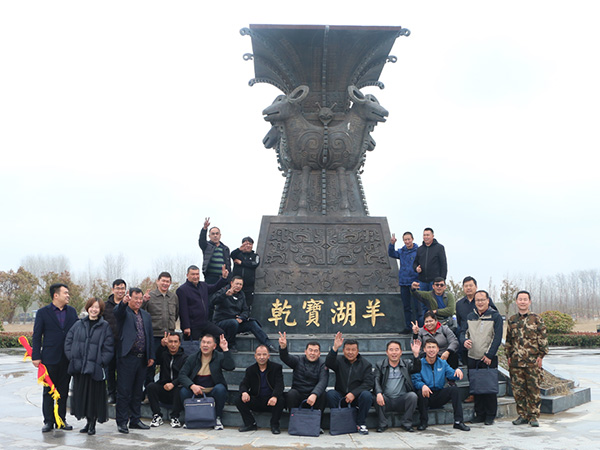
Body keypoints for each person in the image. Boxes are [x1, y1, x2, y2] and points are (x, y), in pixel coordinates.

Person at [32, 283, 79, 432]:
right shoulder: (43, 312)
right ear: (56, 295)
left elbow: (78, 332)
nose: (68, 295)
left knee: (63, 391)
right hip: (49, 358)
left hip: (67, 358)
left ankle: (61, 420)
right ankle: (48, 421)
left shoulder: (72, 312)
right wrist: (36, 356)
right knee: (48, 392)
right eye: (65, 293)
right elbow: (37, 335)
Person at [64, 298, 114, 435]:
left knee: (94, 398)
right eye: (92, 307)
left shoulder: (104, 326)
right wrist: (72, 357)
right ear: (87, 308)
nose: (94, 310)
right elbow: (68, 341)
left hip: (95, 369)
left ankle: (92, 423)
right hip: (80, 368)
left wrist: (100, 362)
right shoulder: (78, 324)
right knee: (83, 397)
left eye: (97, 307)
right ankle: (87, 421)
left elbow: (109, 348)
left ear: (100, 310)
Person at [114, 287, 154, 434]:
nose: (138, 301)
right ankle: (122, 421)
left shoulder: (146, 315)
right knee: (124, 391)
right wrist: (123, 303)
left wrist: (151, 356)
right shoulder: (124, 312)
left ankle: (135, 420)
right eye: (135, 298)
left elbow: (149, 336)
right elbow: (117, 312)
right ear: (129, 298)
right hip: (127, 357)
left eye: (140, 298)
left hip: (142, 358)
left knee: (137, 391)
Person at [505, 290, 548, 428]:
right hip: (516, 362)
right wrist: (508, 356)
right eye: (520, 299)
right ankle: (522, 415)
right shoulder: (512, 320)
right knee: (518, 391)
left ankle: (533, 416)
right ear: (516, 301)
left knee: (533, 390)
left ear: (529, 302)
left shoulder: (537, 319)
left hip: (532, 361)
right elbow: (509, 340)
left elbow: (543, 339)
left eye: (525, 299)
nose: (522, 302)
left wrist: (541, 356)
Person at [461, 290, 503, 425]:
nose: (480, 302)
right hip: (472, 356)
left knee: (489, 389)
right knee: (477, 388)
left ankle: (490, 415)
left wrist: (489, 354)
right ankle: (479, 414)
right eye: (477, 300)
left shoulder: (495, 316)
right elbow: (463, 332)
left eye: (482, 300)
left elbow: (497, 337)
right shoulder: (470, 316)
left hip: (488, 358)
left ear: (488, 301)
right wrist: (464, 341)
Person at [178, 333, 235, 430]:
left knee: (220, 389)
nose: (205, 345)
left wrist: (225, 350)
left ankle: (217, 417)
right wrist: (192, 386)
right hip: (196, 391)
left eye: (208, 343)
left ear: (214, 346)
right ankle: (190, 418)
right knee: (183, 391)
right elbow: (182, 375)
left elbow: (230, 367)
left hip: (212, 391)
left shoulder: (219, 356)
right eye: (203, 342)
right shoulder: (192, 358)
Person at [411, 339, 470, 432]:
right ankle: (423, 422)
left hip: (439, 394)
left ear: (438, 349)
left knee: (454, 389)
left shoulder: (442, 363)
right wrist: (422, 386)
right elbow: (415, 380)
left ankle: (458, 422)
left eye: (433, 347)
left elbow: (452, 375)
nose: (431, 350)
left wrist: (458, 371)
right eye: (429, 347)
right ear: (424, 350)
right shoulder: (420, 363)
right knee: (420, 391)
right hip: (426, 395)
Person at [325, 332, 374, 435]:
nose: (350, 352)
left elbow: (368, 383)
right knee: (330, 394)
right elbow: (328, 363)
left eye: (353, 350)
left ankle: (361, 423)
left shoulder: (366, 365)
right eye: (348, 349)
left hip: (357, 398)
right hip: (341, 397)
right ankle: (339, 420)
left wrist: (354, 393)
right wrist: (335, 348)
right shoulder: (339, 361)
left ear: (357, 351)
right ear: (343, 350)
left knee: (367, 395)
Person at [211, 276, 276, 353]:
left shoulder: (241, 294)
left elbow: (246, 310)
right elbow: (213, 301)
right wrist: (225, 295)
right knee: (233, 322)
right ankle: (231, 345)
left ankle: (268, 344)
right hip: (222, 322)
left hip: (236, 322)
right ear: (231, 283)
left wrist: (242, 317)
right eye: (237, 284)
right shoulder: (223, 291)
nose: (238, 286)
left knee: (252, 323)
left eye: (240, 284)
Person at [374, 339, 422, 433]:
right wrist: (378, 393)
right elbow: (376, 379)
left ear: (401, 352)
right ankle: (382, 424)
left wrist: (416, 355)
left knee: (412, 396)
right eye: (391, 350)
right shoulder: (380, 365)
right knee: (377, 396)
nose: (394, 352)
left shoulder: (406, 364)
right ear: (387, 352)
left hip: (401, 400)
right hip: (386, 400)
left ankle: (407, 423)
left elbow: (417, 369)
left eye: (397, 349)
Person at [235, 344, 284, 434]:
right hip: (257, 399)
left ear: (268, 356)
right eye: (259, 354)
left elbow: (279, 385)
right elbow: (244, 384)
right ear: (255, 356)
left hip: (271, 400)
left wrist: (275, 396)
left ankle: (274, 425)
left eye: (264, 354)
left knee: (280, 399)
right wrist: (244, 392)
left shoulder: (276, 368)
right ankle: (250, 424)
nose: (262, 357)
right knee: (238, 400)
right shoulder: (250, 370)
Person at [278, 332, 328, 416]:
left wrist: (314, 394)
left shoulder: (322, 364)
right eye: (310, 350)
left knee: (323, 394)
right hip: (299, 394)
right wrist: (283, 347)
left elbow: (323, 381)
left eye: (315, 351)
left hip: (314, 395)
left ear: (319, 354)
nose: (312, 353)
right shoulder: (298, 360)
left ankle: (317, 421)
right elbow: (286, 358)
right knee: (291, 394)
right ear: (305, 352)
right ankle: (294, 419)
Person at [142, 272, 179, 386]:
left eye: (167, 281)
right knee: (151, 364)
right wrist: (144, 301)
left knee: (167, 364)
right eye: (163, 281)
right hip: (154, 336)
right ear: (157, 281)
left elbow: (176, 314)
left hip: (169, 337)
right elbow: (141, 313)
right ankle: (149, 390)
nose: (165, 283)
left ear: (170, 283)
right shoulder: (150, 296)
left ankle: (164, 389)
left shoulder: (173, 297)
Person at [147, 332, 188, 428]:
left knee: (180, 389)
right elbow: (156, 359)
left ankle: (175, 417)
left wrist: (173, 384)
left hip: (176, 388)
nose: (173, 344)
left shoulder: (185, 358)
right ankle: (157, 415)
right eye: (170, 342)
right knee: (151, 387)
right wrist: (161, 346)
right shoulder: (164, 355)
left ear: (179, 343)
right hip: (164, 387)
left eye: (175, 342)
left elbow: (184, 375)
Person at [177, 264, 228, 341]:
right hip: (192, 325)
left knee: (221, 335)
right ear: (187, 275)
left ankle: (216, 349)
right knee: (194, 345)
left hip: (205, 323)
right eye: (193, 274)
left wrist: (223, 278)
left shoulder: (203, 285)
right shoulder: (182, 290)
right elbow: (183, 310)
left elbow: (215, 287)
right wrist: (186, 326)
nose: (195, 276)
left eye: (197, 274)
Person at [388, 231, 422, 333]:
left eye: (408, 239)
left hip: (415, 282)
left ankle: (419, 327)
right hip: (404, 282)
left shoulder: (419, 251)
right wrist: (392, 244)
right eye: (405, 240)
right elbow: (391, 253)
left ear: (412, 239)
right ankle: (408, 326)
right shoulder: (402, 251)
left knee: (417, 307)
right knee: (406, 306)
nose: (407, 241)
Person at [103, 279, 127, 404]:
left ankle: (121, 394)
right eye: (118, 288)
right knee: (110, 370)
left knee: (123, 370)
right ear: (113, 290)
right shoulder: (105, 306)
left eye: (122, 288)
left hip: (124, 344)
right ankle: (111, 393)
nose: (120, 291)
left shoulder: (128, 305)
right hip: (109, 343)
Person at [199, 217, 231, 284]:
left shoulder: (225, 248)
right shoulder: (206, 246)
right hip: (210, 277)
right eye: (213, 234)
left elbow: (228, 264)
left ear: (220, 235)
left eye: (217, 234)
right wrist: (204, 228)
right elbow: (201, 240)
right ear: (209, 236)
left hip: (223, 277)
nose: (215, 236)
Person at [230, 236, 260, 308]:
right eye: (246, 244)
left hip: (249, 285)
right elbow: (231, 255)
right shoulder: (238, 254)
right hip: (237, 284)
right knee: (235, 303)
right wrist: (239, 249)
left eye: (250, 244)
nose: (248, 246)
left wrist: (241, 263)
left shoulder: (255, 255)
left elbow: (255, 264)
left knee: (247, 304)